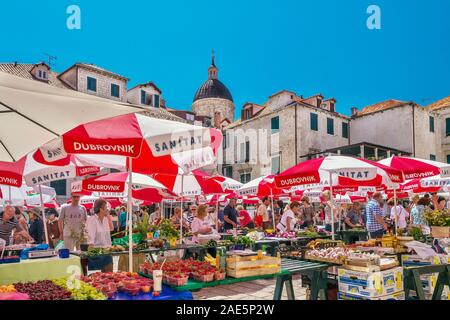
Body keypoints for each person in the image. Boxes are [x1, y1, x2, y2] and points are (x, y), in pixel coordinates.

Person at [86, 198, 113, 272]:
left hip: (106, 251)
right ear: (101, 209)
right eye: (106, 207)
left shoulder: (105, 219)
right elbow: (90, 240)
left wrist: (108, 216)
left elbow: (111, 228)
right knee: (98, 279)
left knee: (110, 277)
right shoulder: (92, 220)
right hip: (96, 252)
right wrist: (91, 254)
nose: (107, 209)